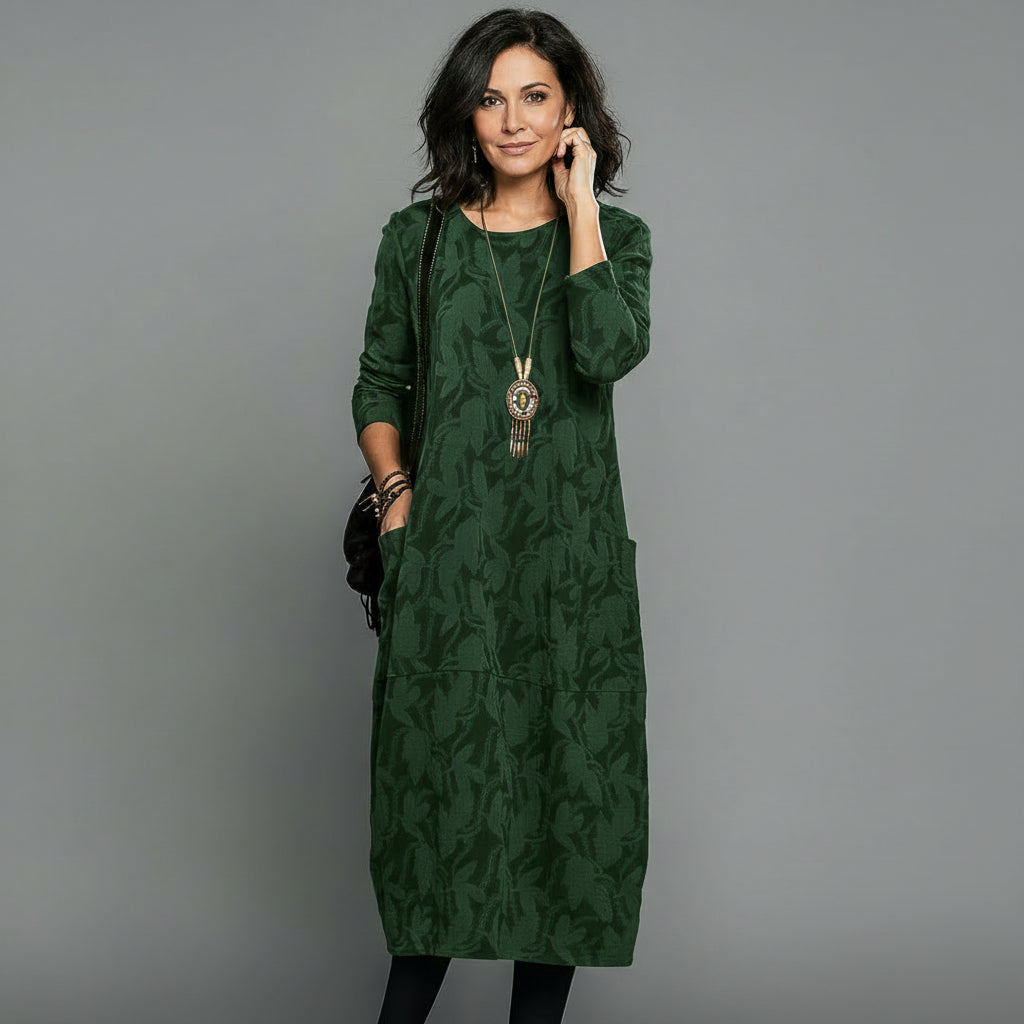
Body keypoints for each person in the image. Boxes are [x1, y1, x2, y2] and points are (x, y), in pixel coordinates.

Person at [351, 8, 653, 1023]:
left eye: (536, 97)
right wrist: (397, 503)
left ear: (571, 112)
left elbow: (605, 353)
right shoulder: (418, 239)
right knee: (440, 809)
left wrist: (580, 207)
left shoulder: (618, 239)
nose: (513, 120)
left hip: (570, 576)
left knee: (570, 801)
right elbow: (379, 383)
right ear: (464, 113)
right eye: (491, 98)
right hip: (451, 567)